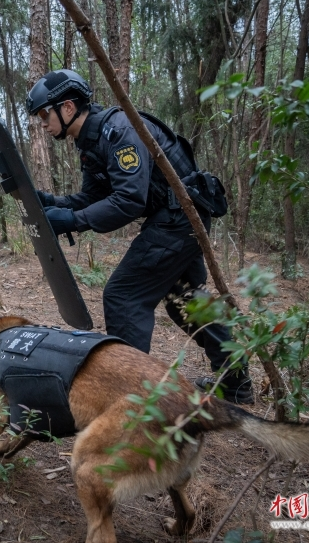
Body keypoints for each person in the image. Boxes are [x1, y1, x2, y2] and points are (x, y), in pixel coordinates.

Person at [26, 69, 252, 404]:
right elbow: (94, 198)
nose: (42, 123)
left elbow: (129, 201)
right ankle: (236, 384)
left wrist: (73, 220)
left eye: (44, 114)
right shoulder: (91, 140)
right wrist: (54, 204)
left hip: (180, 215)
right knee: (185, 301)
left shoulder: (118, 130)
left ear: (68, 107)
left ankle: (129, 398)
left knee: (123, 296)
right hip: (177, 215)